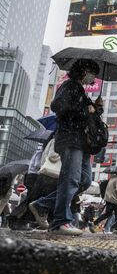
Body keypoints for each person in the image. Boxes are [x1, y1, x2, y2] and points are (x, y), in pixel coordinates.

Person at [29, 60, 100, 235]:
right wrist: (85, 110)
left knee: (84, 180)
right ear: (84, 70)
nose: (93, 78)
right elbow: (57, 106)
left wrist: (96, 109)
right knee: (70, 180)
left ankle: (42, 204)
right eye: (92, 73)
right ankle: (59, 221)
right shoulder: (70, 86)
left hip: (82, 143)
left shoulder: (80, 90)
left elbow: (84, 115)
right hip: (70, 139)